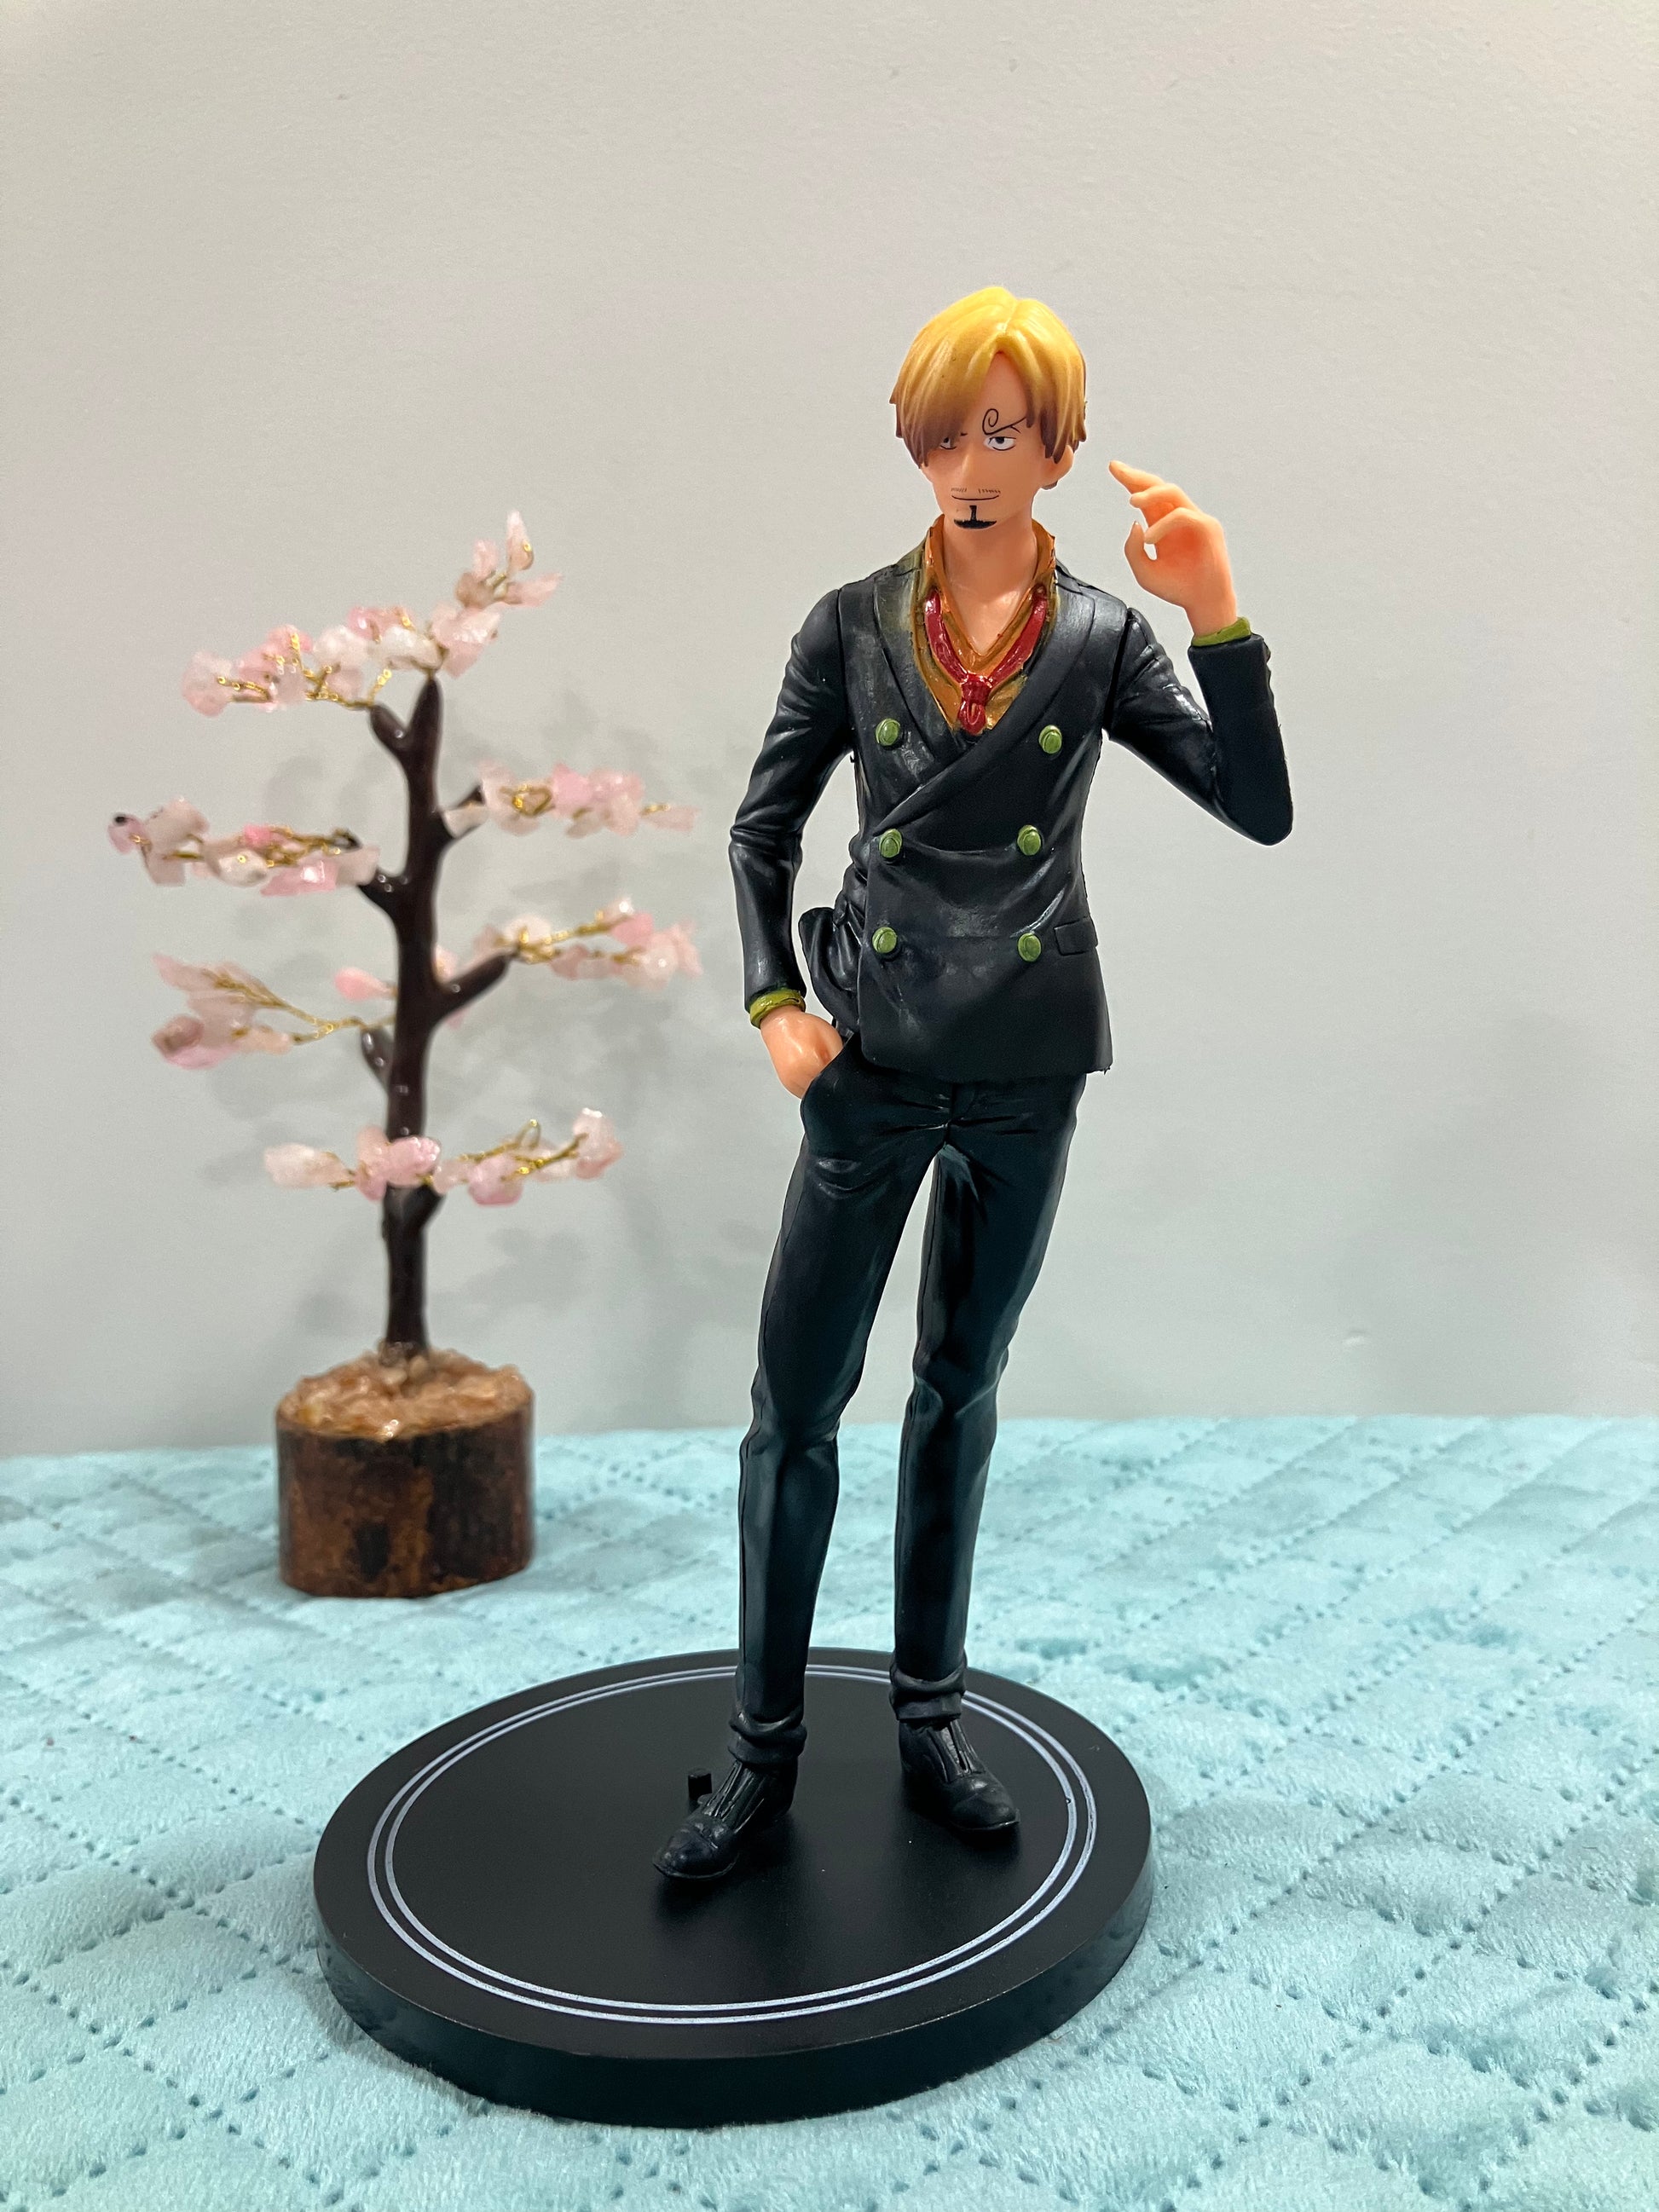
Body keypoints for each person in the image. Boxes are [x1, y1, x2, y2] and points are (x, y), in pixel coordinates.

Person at [654, 286, 1292, 1882]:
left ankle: (930, 1718)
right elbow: (760, 828)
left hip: (1025, 1057)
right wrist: (773, 1008)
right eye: (943, 437)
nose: (970, 468)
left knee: (959, 1385)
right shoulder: (852, 622)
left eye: (1002, 434)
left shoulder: (1099, 639)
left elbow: (1256, 807)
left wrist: (1217, 614)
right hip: (869, 1054)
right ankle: (761, 1752)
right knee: (795, 1403)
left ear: (1059, 451)